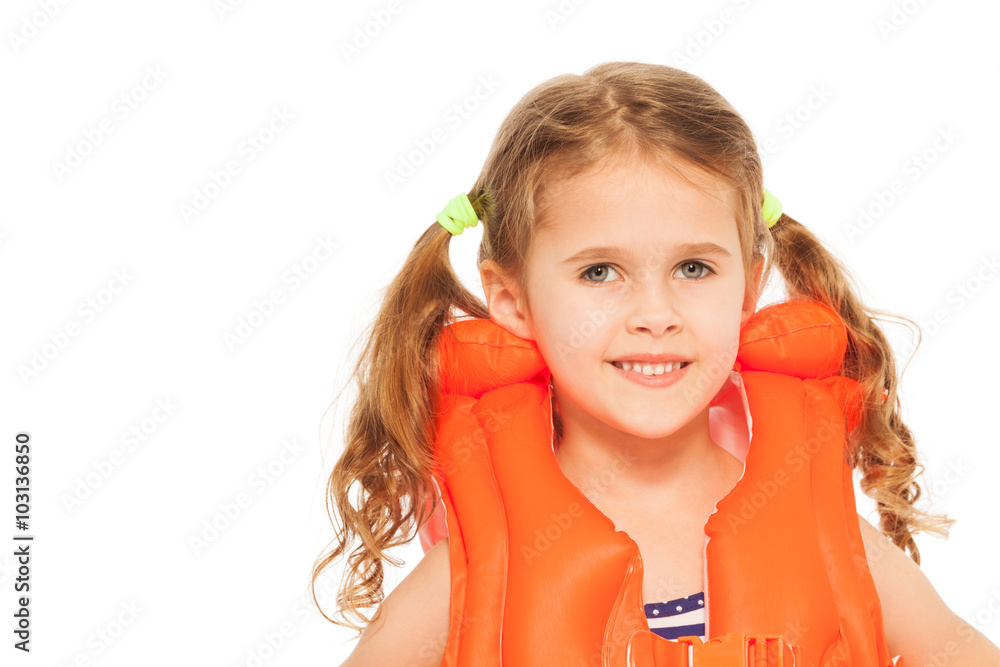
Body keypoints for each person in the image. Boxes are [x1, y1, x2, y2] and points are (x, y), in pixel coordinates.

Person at [314, 61, 1000, 665]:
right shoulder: (479, 569)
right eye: (601, 272)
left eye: (693, 267)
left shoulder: (819, 532)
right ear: (512, 299)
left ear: (750, 287)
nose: (655, 312)